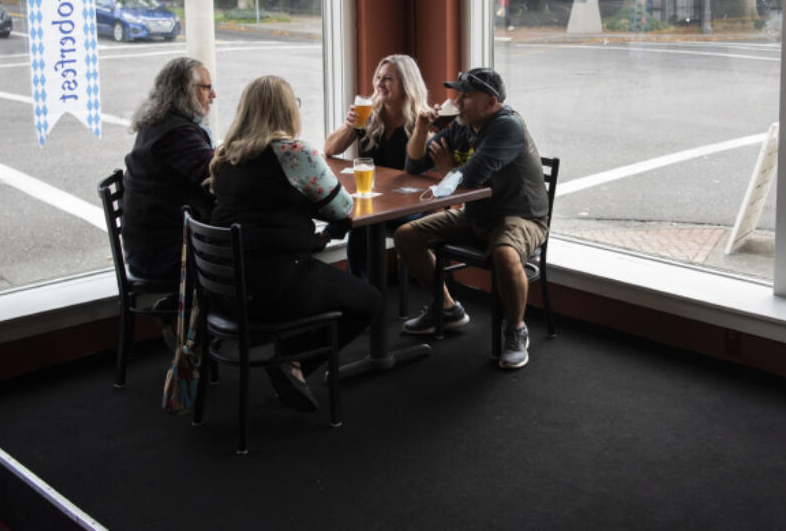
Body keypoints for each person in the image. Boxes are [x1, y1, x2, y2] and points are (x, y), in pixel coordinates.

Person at [209, 75, 382, 411]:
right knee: (370, 301)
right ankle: (293, 361)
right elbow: (343, 209)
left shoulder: (226, 155)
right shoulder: (293, 152)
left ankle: (290, 361)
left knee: (311, 278)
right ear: (288, 111)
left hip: (223, 290)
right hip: (274, 287)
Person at [394, 67, 548, 369]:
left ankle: (516, 329)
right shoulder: (463, 125)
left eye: (466, 95)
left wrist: (449, 167)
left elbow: (471, 177)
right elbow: (413, 165)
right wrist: (423, 128)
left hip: (520, 216)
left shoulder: (507, 126)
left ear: (490, 102)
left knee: (505, 254)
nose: (457, 100)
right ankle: (448, 308)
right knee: (406, 235)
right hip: (476, 211)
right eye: (458, 93)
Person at [323, 54, 430, 279]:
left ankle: (362, 290)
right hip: (374, 200)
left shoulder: (421, 123)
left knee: (363, 219)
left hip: (411, 204)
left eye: (388, 79)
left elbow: (422, 174)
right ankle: (364, 291)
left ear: (406, 85)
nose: (379, 84)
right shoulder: (369, 115)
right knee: (363, 215)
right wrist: (348, 125)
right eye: (378, 77)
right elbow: (330, 149)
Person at [122, 56, 217, 283]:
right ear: (184, 91)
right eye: (207, 88)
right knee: (254, 253)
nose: (213, 95)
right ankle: (218, 316)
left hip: (148, 248)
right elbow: (216, 178)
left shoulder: (160, 124)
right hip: (163, 256)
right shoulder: (175, 134)